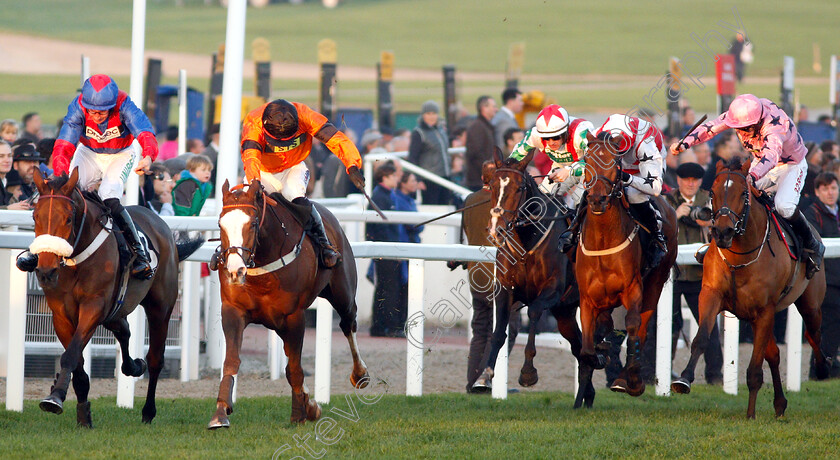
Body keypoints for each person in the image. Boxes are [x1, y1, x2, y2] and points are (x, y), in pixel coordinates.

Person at [15, 74, 158, 279]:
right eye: (93, 111)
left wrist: (148, 156)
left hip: (121, 154)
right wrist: (61, 175)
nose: (97, 115)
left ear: (112, 105)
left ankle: (139, 252)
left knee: (109, 195)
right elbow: (64, 145)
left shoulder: (124, 104)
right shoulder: (78, 107)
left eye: (102, 111)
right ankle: (38, 251)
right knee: (60, 195)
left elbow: (144, 132)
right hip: (89, 152)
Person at [671, 93, 825, 278]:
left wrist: (752, 175)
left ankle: (813, 244)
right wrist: (685, 143)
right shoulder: (741, 114)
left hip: (790, 165)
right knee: (734, 195)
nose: (741, 132)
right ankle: (717, 244)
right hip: (761, 163)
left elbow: (772, 156)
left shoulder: (774, 127)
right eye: (738, 128)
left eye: (745, 128)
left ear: (757, 121)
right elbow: (711, 127)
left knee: (784, 206)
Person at [237, 99, 365, 268]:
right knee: (250, 204)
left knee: (294, 195)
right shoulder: (254, 121)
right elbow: (251, 157)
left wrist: (353, 165)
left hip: (293, 166)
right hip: (262, 170)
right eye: (278, 142)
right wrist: (255, 181)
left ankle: (324, 244)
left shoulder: (307, 116)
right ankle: (233, 249)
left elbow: (336, 140)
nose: (281, 146)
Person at [642, 162, 722, 384]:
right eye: (686, 179)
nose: (690, 184)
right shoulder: (666, 201)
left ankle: (715, 375)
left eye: (695, 180)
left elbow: (728, 227)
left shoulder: (710, 201)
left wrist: (709, 223)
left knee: (709, 327)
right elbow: (652, 230)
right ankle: (651, 373)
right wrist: (674, 215)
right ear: (678, 181)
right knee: (663, 327)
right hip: (671, 276)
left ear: (699, 182)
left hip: (701, 276)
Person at [591, 113, 669, 270]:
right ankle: (574, 232)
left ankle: (656, 238)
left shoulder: (646, 143)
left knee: (634, 194)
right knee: (592, 190)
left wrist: (626, 178)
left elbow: (654, 188)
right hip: (613, 164)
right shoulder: (599, 134)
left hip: (642, 169)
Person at [804, 172, 840, 378]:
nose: (830, 193)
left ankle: (828, 367)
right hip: (826, 280)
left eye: (833, 188)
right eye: (825, 189)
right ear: (817, 192)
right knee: (829, 325)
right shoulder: (812, 214)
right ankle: (819, 371)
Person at [366, 163, 402, 337]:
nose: (397, 179)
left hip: (385, 249)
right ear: (385, 177)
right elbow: (382, 229)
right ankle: (385, 326)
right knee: (388, 288)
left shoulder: (382, 195)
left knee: (384, 288)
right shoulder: (381, 196)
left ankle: (380, 326)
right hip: (386, 250)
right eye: (394, 176)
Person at [393, 171, 424, 328]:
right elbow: (414, 224)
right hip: (404, 246)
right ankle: (399, 323)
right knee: (402, 289)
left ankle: (403, 323)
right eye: (412, 180)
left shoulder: (409, 200)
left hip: (410, 246)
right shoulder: (400, 199)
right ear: (403, 183)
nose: (415, 183)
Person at [408, 100, 451, 205]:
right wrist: (418, 179)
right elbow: (413, 157)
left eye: (434, 113)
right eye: (428, 114)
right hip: (429, 179)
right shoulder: (419, 133)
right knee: (432, 207)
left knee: (446, 207)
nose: (431, 117)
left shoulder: (441, 130)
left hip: (445, 176)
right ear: (423, 115)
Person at [464, 95, 498, 191]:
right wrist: (488, 173)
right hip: (479, 181)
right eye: (493, 106)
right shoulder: (478, 127)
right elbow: (476, 153)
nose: (496, 109)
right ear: (484, 108)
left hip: (484, 179)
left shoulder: (485, 126)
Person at [0, 140, 30, 210]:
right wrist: (8, 208)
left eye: (9, 156)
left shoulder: (4, 181)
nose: (7, 160)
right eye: (1, 156)